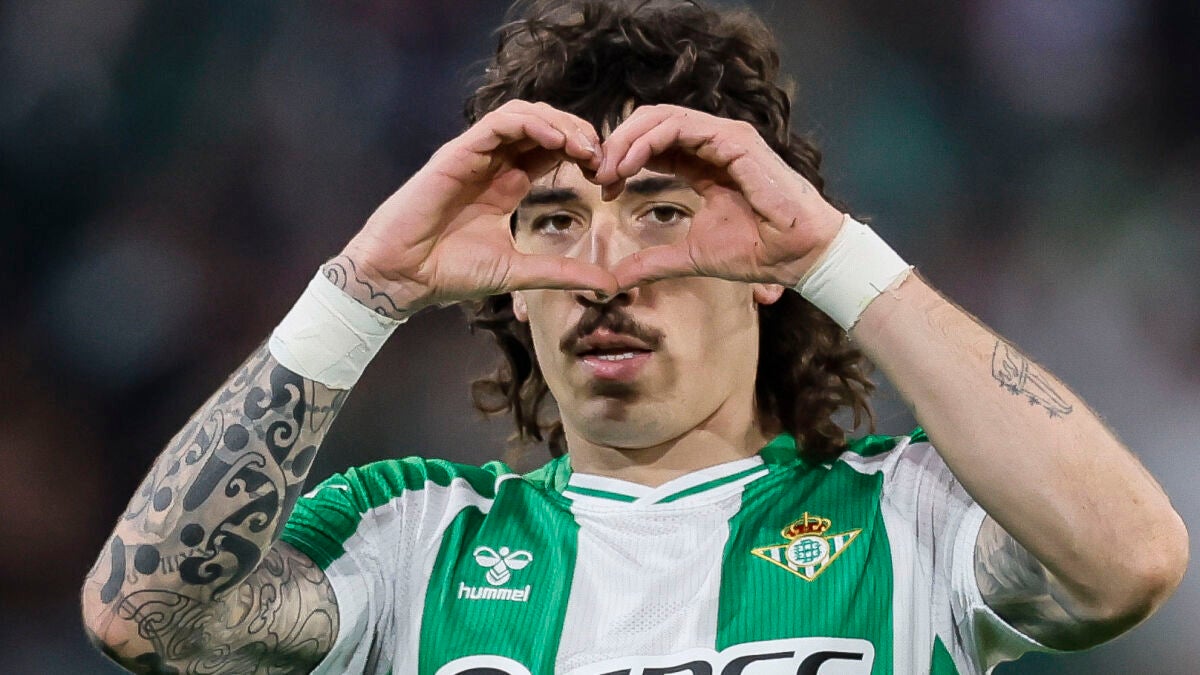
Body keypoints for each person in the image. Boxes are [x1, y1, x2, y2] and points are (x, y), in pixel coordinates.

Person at [82, 0, 1188, 673]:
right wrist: (361, 289)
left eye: (663, 215)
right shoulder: (410, 538)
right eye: (555, 224)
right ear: (515, 291)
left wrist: (838, 258)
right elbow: (141, 616)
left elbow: (1129, 560)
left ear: (763, 263)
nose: (606, 275)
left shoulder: (908, 518)